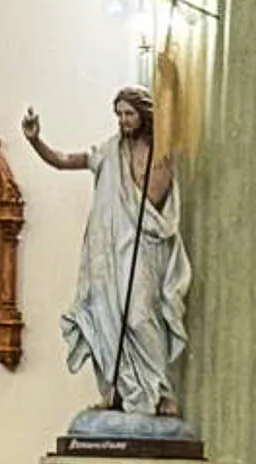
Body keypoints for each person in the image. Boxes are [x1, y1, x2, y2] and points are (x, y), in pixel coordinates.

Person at [24, 87, 192, 420]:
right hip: (109, 254)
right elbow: (65, 161)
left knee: (141, 316)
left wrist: (147, 173)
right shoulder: (108, 152)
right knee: (108, 317)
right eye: (119, 114)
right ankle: (116, 388)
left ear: (144, 115)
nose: (123, 120)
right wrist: (35, 141)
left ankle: (158, 391)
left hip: (143, 247)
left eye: (129, 113)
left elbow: (153, 202)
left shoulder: (160, 154)